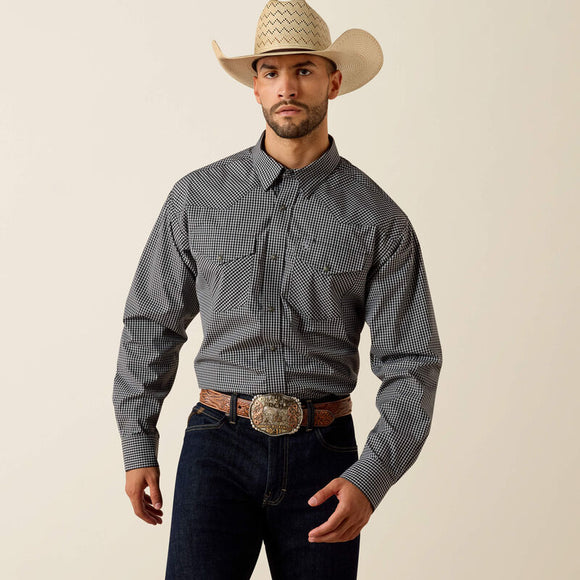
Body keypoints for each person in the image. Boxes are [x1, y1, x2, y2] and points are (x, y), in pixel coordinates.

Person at [112, 1, 443, 578]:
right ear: (256, 87)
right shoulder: (198, 198)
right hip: (216, 446)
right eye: (271, 72)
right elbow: (152, 323)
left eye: (304, 70)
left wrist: (373, 478)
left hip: (325, 456)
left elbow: (412, 361)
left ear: (333, 82)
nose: (287, 87)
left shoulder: (378, 218)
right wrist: (137, 444)